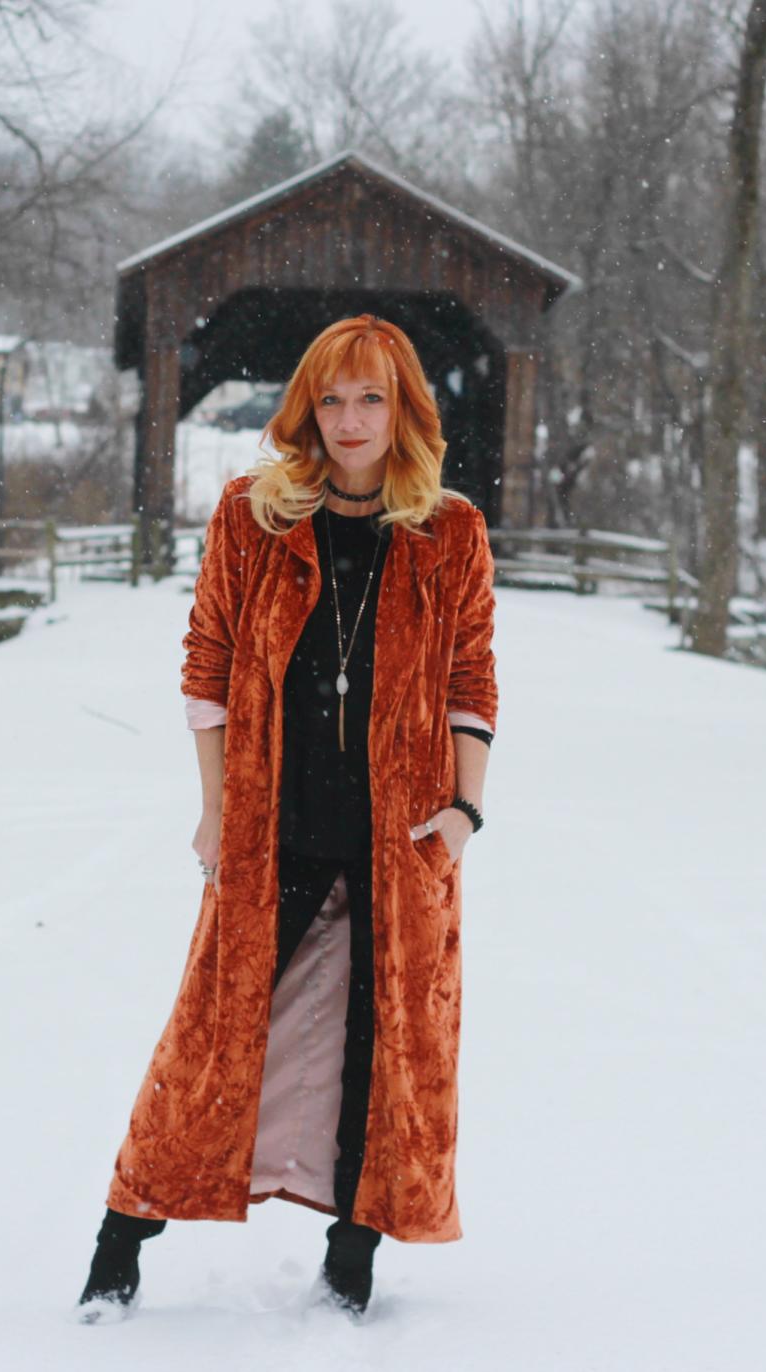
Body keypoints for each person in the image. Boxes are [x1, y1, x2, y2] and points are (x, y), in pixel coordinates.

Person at [76, 314, 499, 1324]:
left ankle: (349, 1259)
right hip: (273, 836)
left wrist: (463, 811)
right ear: (306, 408)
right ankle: (119, 1242)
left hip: (400, 848)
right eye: (332, 399)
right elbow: (209, 667)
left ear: (404, 413)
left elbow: (470, 679)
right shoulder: (251, 518)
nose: (350, 421)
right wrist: (219, 812)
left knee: (381, 1054)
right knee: (208, 1044)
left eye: (372, 399)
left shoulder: (450, 532)